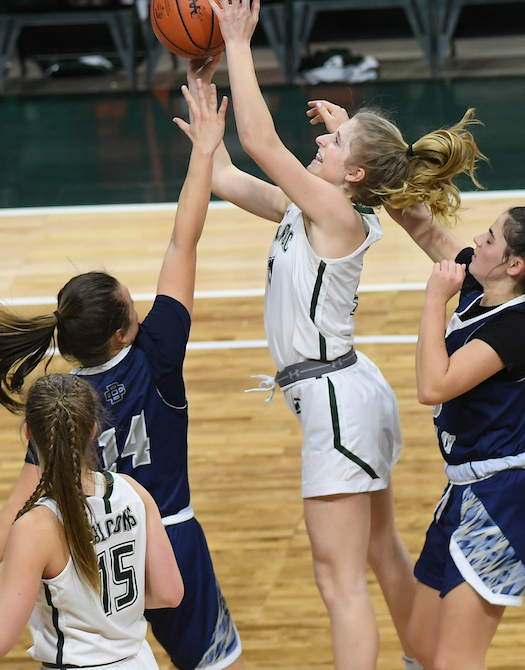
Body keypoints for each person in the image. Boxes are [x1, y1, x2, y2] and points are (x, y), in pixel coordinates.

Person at [0, 81, 247, 670]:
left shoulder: (64, 400)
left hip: (85, 547)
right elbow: (183, 240)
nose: (143, 310)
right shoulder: (157, 352)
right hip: (168, 536)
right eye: (133, 307)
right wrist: (203, 152)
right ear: (123, 333)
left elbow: (20, 502)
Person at [198, 2, 483, 668]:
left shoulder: (333, 210)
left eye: (333, 145)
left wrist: (241, 43)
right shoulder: (314, 208)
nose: (319, 143)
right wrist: (205, 103)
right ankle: (430, 661)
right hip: (348, 393)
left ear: (353, 176)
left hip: (336, 402)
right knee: (380, 555)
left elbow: (262, 143)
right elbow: (227, 176)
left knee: (339, 582)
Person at [385, 202, 525, 670]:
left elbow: (433, 386)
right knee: (420, 645)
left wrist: (435, 300)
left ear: (514, 265)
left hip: (504, 497)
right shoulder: (483, 288)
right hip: (464, 489)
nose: (477, 240)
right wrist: (366, 157)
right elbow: (422, 226)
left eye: (490, 238)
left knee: (456, 659)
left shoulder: (516, 327)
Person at [0, 373, 184, 668]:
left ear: (28, 432)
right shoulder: (133, 491)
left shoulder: (37, 527)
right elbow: (170, 592)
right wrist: (104, 610)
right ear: (93, 429)